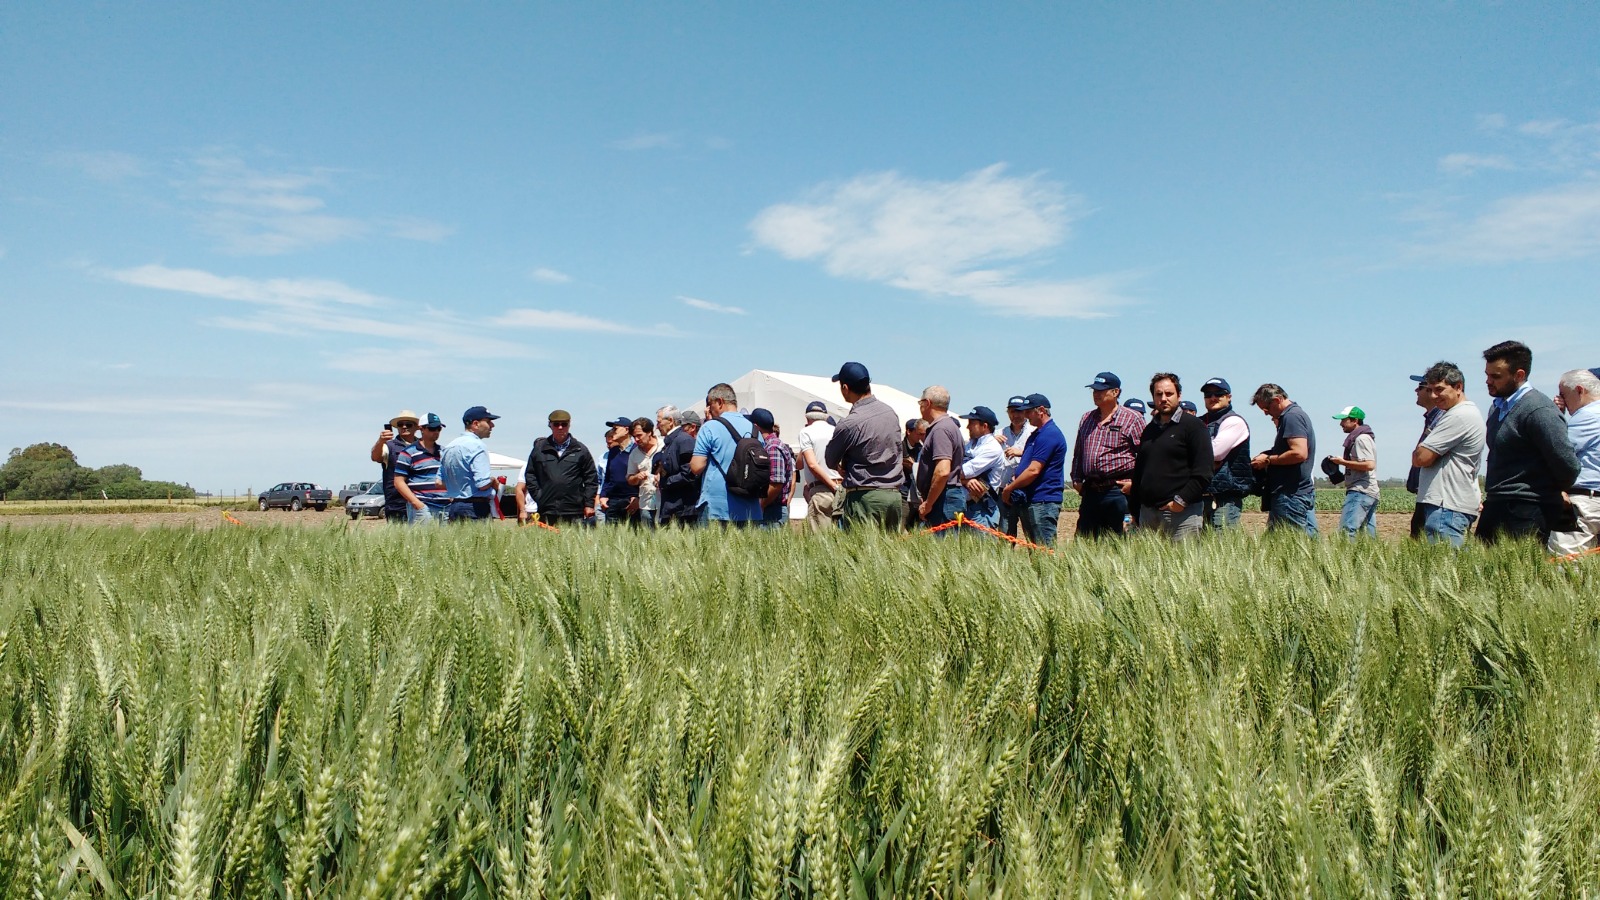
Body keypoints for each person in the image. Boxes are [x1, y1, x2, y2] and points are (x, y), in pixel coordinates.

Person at [1477, 340, 1580, 544]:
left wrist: (1544, 491)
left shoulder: (1539, 410)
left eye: (1496, 376)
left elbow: (1567, 465)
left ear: (1519, 375)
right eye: (1487, 375)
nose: (1488, 381)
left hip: (1527, 510)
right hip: (1497, 504)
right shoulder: (1497, 408)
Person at [1412, 362, 1486, 547]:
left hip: (1447, 506)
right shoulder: (1458, 413)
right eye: (1429, 390)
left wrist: (1422, 448)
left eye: (1439, 389)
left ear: (1458, 387)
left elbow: (1420, 458)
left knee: (1442, 569)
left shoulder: (1459, 416)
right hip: (1449, 505)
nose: (1434, 396)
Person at [1130, 374, 1212, 541]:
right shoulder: (1149, 430)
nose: (1163, 398)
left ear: (1179, 396)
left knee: (1183, 565)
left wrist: (1180, 501)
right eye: (1158, 394)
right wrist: (1135, 508)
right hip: (1148, 516)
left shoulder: (1193, 427)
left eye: (1169, 394)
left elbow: (1204, 471)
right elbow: (1140, 471)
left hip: (1182, 516)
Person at [824, 361, 905, 529]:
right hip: (894, 497)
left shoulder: (850, 423)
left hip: (865, 497)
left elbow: (830, 460)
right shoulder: (891, 413)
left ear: (845, 388)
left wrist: (841, 466)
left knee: (861, 552)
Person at [1069, 372, 1144, 538]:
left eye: (1101, 390)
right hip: (1091, 491)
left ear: (1116, 392)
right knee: (1085, 542)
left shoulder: (1132, 418)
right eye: (1094, 390)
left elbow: (1145, 456)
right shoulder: (1086, 418)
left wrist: (1136, 485)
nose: (1096, 394)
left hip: (1119, 492)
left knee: (1123, 541)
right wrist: (1076, 479)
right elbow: (1079, 452)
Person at [689, 383, 763, 525]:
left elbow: (696, 467)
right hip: (751, 506)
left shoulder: (710, 427)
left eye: (710, 405)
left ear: (720, 402)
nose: (709, 410)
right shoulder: (755, 430)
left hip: (717, 506)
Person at [999, 393, 1067, 546]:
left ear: (1041, 410)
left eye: (1028, 411)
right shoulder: (1037, 434)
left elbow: (1033, 470)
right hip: (1033, 499)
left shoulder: (1049, 434)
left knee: (1042, 550)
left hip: (1043, 500)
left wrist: (1009, 488)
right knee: (1036, 549)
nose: (1025, 415)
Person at [1250, 384, 1318, 535]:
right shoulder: (1294, 415)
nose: (1266, 414)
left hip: (1290, 495)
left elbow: (1299, 453)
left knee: (1287, 545)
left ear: (1277, 400)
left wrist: (1267, 460)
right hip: (1293, 493)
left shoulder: (1291, 417)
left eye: (1266, 409)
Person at [1549, 368, 1600, 556]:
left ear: (1579, 390)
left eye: (1563, 394)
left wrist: (1556, 417)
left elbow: (1560, 450)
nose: (1560, 399)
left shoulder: (1586, 416)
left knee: (1565, 564)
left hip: (1585, 500)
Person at [520, 410, 598, 526]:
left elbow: (591, 479)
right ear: (550, 425)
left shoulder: (581, 450)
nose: (560, 427)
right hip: (547, 509)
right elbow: (530, 475)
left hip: (574, 510)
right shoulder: (539, 449)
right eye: (556, 424)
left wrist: (589, 504)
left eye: (564, 424)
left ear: (569, 425)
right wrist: (539, 496)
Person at [1198, 378, 1251, 529]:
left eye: (1219, 393)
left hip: (1224, 497)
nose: (1213, 398)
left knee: (1222, 543)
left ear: (1229, 397)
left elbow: (1215, 453)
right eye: (1208, 394)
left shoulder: (1234, 421)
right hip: (1200, 496)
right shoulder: (1199, 422)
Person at [914, 386, 966, 531]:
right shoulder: (947, 426)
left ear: (928, 403)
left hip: (944, 499)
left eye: (921, 403)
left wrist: (928, 503)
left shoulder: (940, 429)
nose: (920, 407)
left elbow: (942, 471)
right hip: (945, 497)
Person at [1326, 406, 1379, 537]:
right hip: (1368, 491)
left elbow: (1369, 464)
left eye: (1344, 420)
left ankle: (1346, 557)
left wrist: (1342, 462)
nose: (1340, 424)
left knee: (1347, 531)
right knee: (1367, 536)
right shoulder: (1363, 437)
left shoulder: (1361, 439)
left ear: (1355, 420)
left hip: (1360, 490)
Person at [440, 406, 499, 522]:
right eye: (488, 421)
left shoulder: (448, 447)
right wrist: (493, 481)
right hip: (476, 507)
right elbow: (482, 484)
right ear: (476, 424)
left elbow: (439, 482)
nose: (492, 425)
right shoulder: (478, 446)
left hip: (454, 506)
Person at [1405, 375, 1444, 538]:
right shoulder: (1431, 419)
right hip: (1426, 494)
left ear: (1431, 391)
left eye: (1420, 387)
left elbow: (1422, 457)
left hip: (1437, 499)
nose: (1416, 390)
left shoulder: (1441, 419)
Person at [393, 412, 449, 523]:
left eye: (438, 428)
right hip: (423, 508)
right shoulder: (408, 453)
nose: (436, 432)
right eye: (432, 428)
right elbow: (398, 481)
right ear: (421, 429)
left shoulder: (444, 452)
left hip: (445, 507)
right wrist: (417, 504)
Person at [797, 400, 842, 530]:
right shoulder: (836, 431)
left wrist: (831, 486)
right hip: (841, 486)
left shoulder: (806, 432)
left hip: (821, 490)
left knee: (820, 541)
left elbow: (810, 464)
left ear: (807, 417)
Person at [959, 405, 1005, 528]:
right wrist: (966, 481)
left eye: (972, 423)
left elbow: (961, 471)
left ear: (984, 426)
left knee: (981, 546)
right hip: (968, 506)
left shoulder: (992, 448)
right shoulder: (971, 444)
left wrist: (963, 479)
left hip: (982, 510)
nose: (968, 427)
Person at [371, 410, 420, 523]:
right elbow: (375, 457)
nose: (404, 427)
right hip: (397, 504)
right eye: (400, 424)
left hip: (420, 501)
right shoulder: (389, 446)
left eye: (408, 424)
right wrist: (381, 441)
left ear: (416, 427)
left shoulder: (422, 446)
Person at [750, 408, 795, 528]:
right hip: (772, 510)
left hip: (773, 512)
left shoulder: (773, 447)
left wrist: (761, 505)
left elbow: (776, 483)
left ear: (755, 426)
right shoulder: (772, 445)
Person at [656, 408, 702, 526]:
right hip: (671, 507)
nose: (657, 426)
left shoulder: (684, 441)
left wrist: (665, 482)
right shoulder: (671, 442)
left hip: (683, 510)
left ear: (670, 421)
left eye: (659, 422)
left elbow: (690, 473)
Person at [996, 396, 1034, 537]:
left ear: (1026, 412)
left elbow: (1040, 457)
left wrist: (1021, 453)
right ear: (1007, 413)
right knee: (1005, 534)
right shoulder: (999, 434)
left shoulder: (1034, 432)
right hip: (1004, 490)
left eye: (1019, 411)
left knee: (1031, 534)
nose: (1016, 415)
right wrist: (991, 441)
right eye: (1012, 411)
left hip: (1026, 490)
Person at [597, 418, 639, 526]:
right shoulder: (613, 452)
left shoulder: (637, 450)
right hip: (613, 501)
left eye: (615, 428)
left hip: (631, 501)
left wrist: (638, 498)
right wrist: (603, 495)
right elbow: (608, 477)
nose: (612, 431)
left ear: (626, 430)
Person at [626, 417, 661, 528]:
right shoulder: (634, 454)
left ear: (650, 432)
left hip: (664, 501)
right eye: (634, 437)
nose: (636, 439)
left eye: (639, 435)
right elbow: (629, 479)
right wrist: (637, 477)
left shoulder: (664, 445)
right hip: (646, 503)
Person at [901, 418, 928, 528]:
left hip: (917, 494)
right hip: (903, 491)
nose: (921, 437)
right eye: (918, 434)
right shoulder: (899, 447)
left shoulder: (921, 448)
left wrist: (914, 466)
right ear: (909, 432)